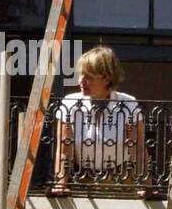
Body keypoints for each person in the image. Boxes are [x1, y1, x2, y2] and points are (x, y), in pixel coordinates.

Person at [51, 46, 147, 195]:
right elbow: (64, 152)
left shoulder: (128, 104)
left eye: (88, 76)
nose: (81, 81)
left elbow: (139, 151)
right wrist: (60, 185)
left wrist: (146, 187)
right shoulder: (70, 103)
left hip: (121, 182)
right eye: (81, 74)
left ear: (106, 78)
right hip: (82, 180)